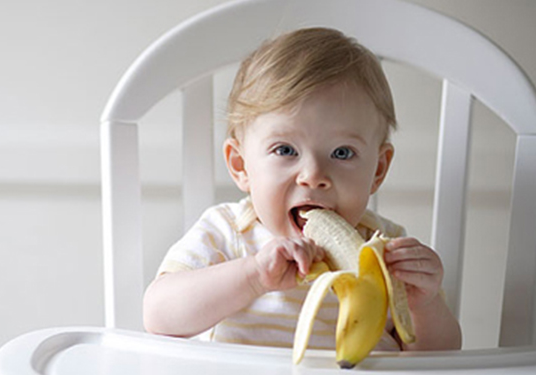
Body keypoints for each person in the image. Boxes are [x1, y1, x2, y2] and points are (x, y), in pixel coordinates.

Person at [143, 27, 462, 351]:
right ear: (240, 165)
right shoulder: (227, 233)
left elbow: (440, 358)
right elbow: (158, 314)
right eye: (285, 150)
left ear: (377, 170)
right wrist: (252, 276)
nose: (313, 175)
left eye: (342, 153)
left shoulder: (384, 250)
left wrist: (425, 304)